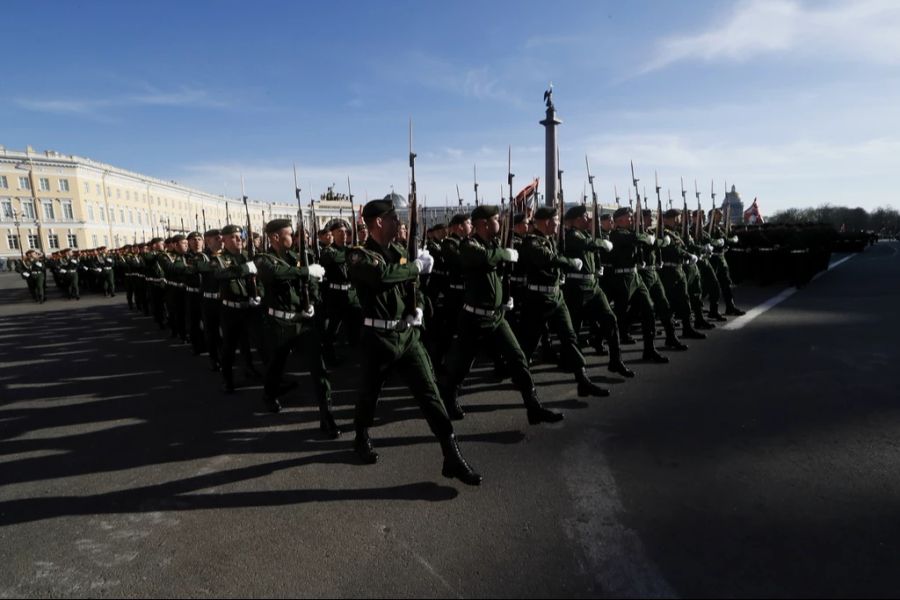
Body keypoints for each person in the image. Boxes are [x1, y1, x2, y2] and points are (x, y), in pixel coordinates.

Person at [347, 198, 481, 486]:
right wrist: (416, 267)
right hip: (378, 339)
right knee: (369, 395)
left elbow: (413, 286)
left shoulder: (398, 250)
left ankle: (452, 455)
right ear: (379, 222)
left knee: (430, 394)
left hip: (407, 336)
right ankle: (360, 436)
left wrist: (417, 306)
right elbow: (383, 276)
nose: (399, 223)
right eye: (395, 218)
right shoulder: (359, 256)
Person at [441, 204, 564, 424]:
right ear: (484, 223)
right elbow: (486, 258)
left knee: (517, 358)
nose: (500, 222)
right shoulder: (469, 245)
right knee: (462, 366)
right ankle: (449, 396)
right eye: (497, 218)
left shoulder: (495, 243)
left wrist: (505, 295)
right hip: (474, 319)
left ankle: (533, 406)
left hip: (496, 317)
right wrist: (502, 254)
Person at [255, 219, 340, 437]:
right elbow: (276, 273)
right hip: (279, 325)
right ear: (275, 237)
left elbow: (311, 284)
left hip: (302, 323)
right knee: (276, 365)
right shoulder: (263, 259)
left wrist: (311, 302)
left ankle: (326, 416)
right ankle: (269, 394)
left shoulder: (297, 258)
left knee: (319, 368)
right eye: (289, 234)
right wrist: (306, 272)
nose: (293, 238)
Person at [517, 206, 611, 396]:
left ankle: (582, 379)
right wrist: (570, 263)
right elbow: (547, 258)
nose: (559, 223)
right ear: (546, 222)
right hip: (537, 299)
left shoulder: (551, 239)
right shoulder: (531, 241)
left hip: (556, 296)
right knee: (528, 344)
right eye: (556, 220)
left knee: (570, 337)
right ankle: (521, 379)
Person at [562, 205, 634, 376]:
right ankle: (567, 360)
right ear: (578, 219)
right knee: (573, 328)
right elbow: (586, 244)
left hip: (593, 286)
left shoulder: (586, 234)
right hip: (577, 288)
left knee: (610, 319)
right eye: (586, 217)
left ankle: (616, 361)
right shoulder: (571, 236)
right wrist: (599, 243)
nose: (589, 220)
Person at [607, 207, 669, 363]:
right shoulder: (616, 235)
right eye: (628, 218)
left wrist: (657, 240)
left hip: (635, 276)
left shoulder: (630, 233)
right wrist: (645, 237)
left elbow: (642, 241)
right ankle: (612, 353)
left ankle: (649, 349)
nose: (632, 220)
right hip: (621, 278)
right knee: (618, 317)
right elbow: (634, 239)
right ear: (619, 220)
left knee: (648, 309)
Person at [215, 224, 261, 393]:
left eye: (240, 236)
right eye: (233, 237)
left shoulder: (248, 256)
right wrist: (244, 268)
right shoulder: (219, 259)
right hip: (231, 310)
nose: (239, 239)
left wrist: (259, 294)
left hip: (249, 307)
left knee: (249, 342)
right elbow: (220, 274)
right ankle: (227, 378)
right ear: (224, 240)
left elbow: (259, 279)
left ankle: (249, 368)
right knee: (229, 346)